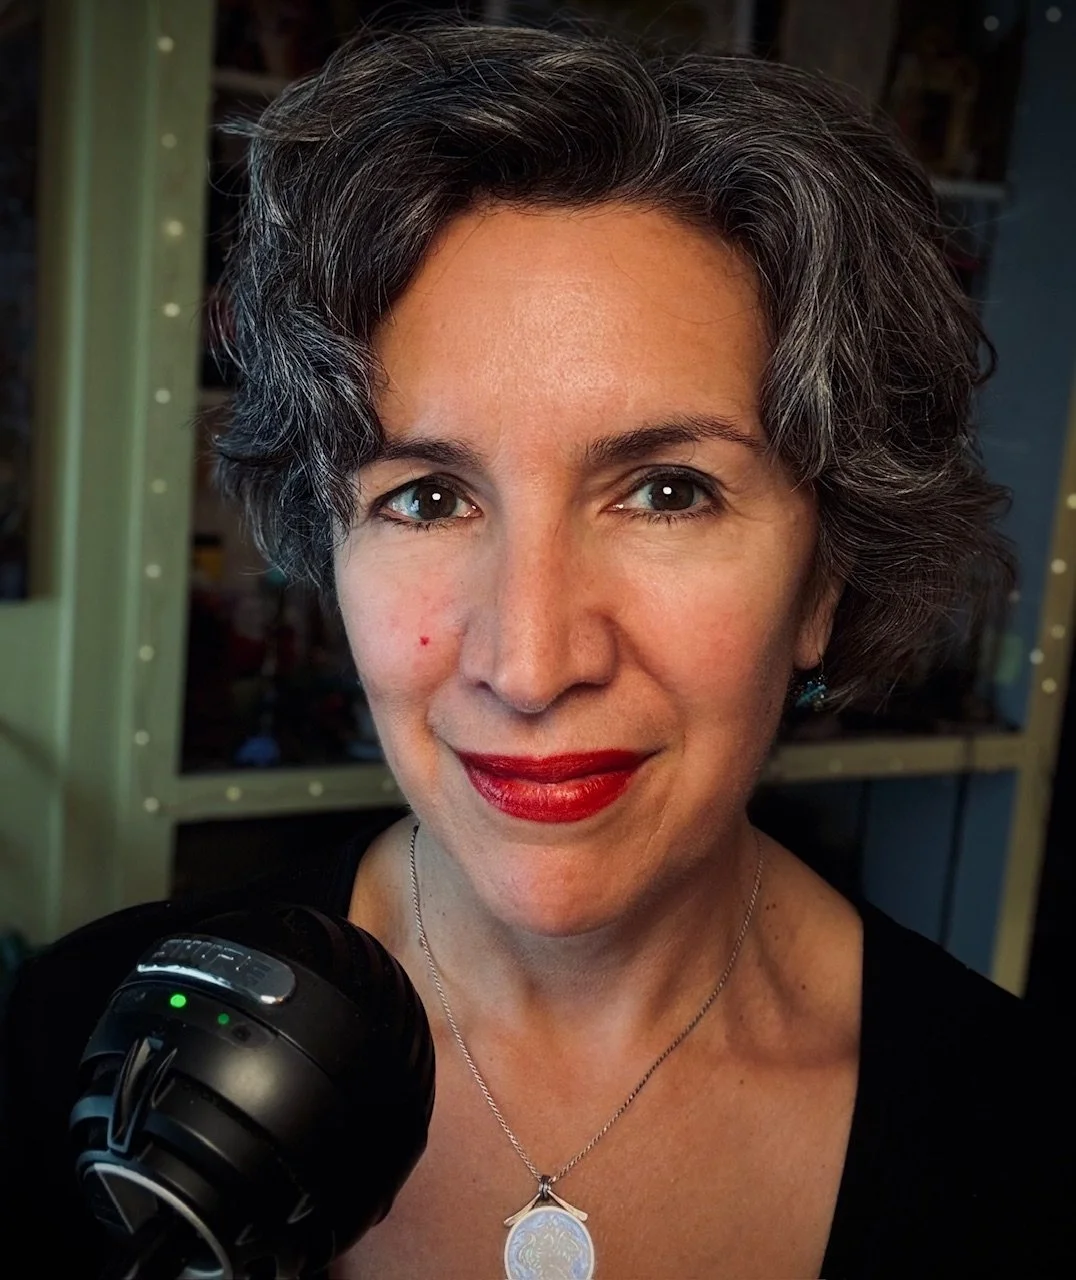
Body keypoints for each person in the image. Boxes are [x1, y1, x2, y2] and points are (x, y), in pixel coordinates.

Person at [1, 17, 1070, 1279]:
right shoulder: (77, 1046)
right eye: (427, 497)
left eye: (666, 491)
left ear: (824, 575)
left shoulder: (1014, 1137)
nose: (528, 661)